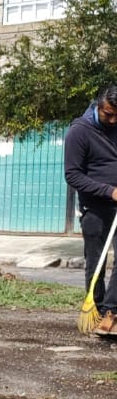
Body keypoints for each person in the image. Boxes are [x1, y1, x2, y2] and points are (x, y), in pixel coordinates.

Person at [65, 86, 117, 335]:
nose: (113, 120)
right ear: (99, 106)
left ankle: (112, 311)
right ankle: (95, 308)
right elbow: (73, 175)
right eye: (109, 114)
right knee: (96, 260)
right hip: (94, 206)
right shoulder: (80, 132)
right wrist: (109, 191)